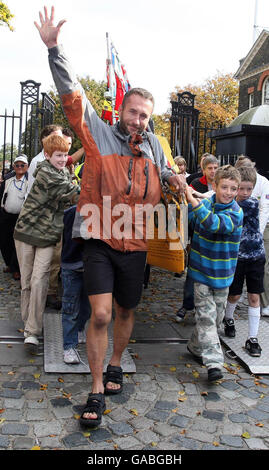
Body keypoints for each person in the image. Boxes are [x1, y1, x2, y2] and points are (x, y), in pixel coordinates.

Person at [35, 5, 186, 428]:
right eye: (133, 111)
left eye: (144, 114)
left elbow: (168, 173)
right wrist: (55, 50)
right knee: (99, 314)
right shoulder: (99, 134)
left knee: (124, 310)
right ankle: (97, 387)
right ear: (122, 109)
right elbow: (74, 98)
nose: (138, 119)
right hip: (101, 237)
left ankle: (117, 361)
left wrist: (176, 180)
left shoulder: (155, 146)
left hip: (135, 242)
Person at [14, 134, 80, 349]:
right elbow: (71, 192)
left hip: (48, 235)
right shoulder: (45, 172)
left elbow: (71, 182)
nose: (62, 159)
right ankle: (29, 325)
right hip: (26, 232)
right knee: (26, 282)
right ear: (49, 155)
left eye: (65, 155)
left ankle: (32, 330)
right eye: (58, 155)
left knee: (39, 280)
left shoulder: (62, 171)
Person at [185, 165, 243, 382]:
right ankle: (214, 364)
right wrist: (186, 204)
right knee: (207, 318)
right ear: (215, 186)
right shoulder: (206, 203)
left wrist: (193, 201)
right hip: (201, 273)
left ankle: (194, 346)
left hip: (223, 276)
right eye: (224, 187)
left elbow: (214, 224)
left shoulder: (236, 213)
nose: (228, 192)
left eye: (233, 188)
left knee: (215, 318)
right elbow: (192, 221)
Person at [224, 166, 264, 357]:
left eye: (249, 189)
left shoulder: (250, 204)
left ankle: (253, 338)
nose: (245, 193)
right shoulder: (230, 201)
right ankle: (228, 318)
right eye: (242, 188)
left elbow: (218, 202)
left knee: (254, 297)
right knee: (234, 295)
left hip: (255, 256)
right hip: (237, 257)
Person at [234, 156, 269, 317]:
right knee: (234, 290)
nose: (246, 193)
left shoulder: (260, 188)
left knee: (256, 290)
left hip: (255, 245)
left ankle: (264, 303)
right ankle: (230, 314)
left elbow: (264, 209)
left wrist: (258, 234)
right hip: (238, 249)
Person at [61, 205, 91, 364]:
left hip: (92, 267)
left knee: (88, 306)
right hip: (72, 265)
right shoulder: (71, 212)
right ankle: (69, 346)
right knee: (70, 308)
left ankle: (80, 328)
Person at [0, 155, 29, 280]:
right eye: (17, 165)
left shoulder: (29, 181)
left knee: (17, 242)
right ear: (14, 167)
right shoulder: (8, 180)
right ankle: (9, 265)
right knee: (4, 241)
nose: (19, 167)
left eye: (22, 165)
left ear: (27, 167)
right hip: (6, 215)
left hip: (20, 217)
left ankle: (15, 268)